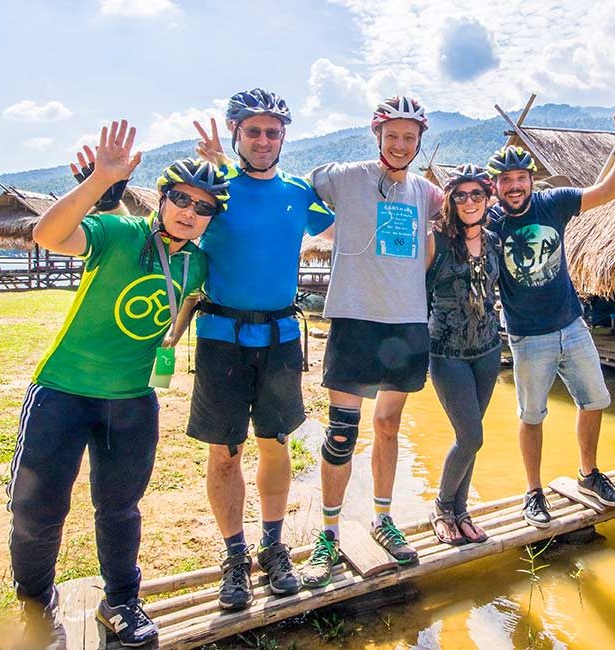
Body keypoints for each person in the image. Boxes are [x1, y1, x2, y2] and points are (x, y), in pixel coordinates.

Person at [8, 120, 222, 649]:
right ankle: (36, 607)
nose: (189, 212)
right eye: (180, 199)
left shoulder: (200, 263)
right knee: (38, 510)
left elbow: (201, 297)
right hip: (63, 390)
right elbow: (48, 235)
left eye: (203, 207)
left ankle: (122, 600)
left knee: (121, 507)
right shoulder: (120, 233)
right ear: (162, 198)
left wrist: (225, 164)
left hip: (131, 401)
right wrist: (100, 181)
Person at [181, 88, 335, 611]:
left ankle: (273, 546)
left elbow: (350, 229)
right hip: (222, 338)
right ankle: (233, 556)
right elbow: (170, 226)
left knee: (275, 443)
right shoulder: (215, 192)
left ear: (284, 136)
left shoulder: (299, 193)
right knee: (225, 452)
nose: (264, 140)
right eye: (253, 131)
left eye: (273, 131)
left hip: (281, 339)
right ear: (236, 136)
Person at [299, 96, 444, 587]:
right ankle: (329, 534)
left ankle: (384, 520)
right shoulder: (346, 176)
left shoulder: (427, 192)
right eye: (392, 136)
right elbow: (295, 188)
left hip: (405, 324)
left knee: (388, 426)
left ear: (419, 140)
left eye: (409, 137)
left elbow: (450, 221)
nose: (400, 145)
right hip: (354, 317)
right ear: (377, 135)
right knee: (342, 433)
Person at [485, 108, 615, 528]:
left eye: (520, 179)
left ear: (531, 181)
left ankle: (589, 474)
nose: (514, 186)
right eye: (505, 181)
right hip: (526, 336)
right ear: (496, 186)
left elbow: (608, 190)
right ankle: (533, 492)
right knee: (531, 415)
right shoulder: (490, 222)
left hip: (572, 326)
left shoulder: (553, 204)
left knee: (595, 400)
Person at [426, 164, 503, 545]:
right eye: (461, 195)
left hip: (488, 349)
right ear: (451, 201)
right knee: (471, 437)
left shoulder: (495, 242)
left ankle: (461, 511)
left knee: (471, 434)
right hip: (447, 352)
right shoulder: (435, 241)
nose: (469, 201)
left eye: (476, 194)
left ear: (488, 199)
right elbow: (413, 292)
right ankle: (442, 506)